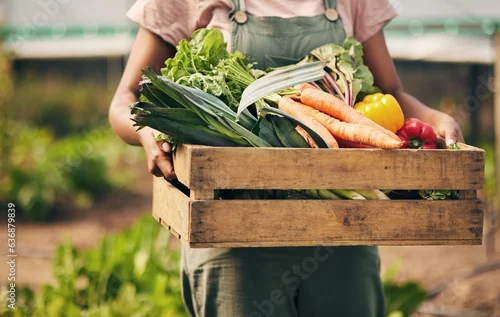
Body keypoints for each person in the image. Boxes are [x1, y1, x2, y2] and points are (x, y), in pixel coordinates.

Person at [109, 0, 464, 316]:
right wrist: (146, 133)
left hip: (344, 229)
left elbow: (391, 92)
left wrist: (437, 120)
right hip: (232, 235)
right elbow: (125, 98)